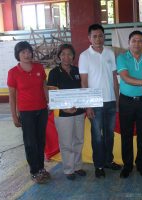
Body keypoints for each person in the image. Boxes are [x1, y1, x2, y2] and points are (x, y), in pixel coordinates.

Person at [79, 24, 121, 178]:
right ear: (89, 38)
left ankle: (108, 161)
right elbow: (83, 83)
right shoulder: (84, 56)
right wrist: (88, 105)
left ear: (104, 37)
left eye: (100, 36)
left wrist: (117, 100)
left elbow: (115, 79)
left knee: (109, 134)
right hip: (95, 103)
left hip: (110, 101)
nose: (98, 39)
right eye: (94, 36)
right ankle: (99, 165)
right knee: (97, 135)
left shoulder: (110, 52)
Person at [7, 41, 50, 184]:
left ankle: (41, 168)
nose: (27, 54)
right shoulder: (13, 72)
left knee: (41, 140)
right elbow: (12, 97)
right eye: (23, 52)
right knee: (30, 143)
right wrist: (14, 116)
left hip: (42, 110)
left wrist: (50, 103)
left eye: (28, 51)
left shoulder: (39, 67)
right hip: (26, 113)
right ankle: (34, 171)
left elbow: (44, 87)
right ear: (18, 55)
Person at [117, 30, 142, 178]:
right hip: (126, 101)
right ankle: (127, 166)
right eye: (134, 40)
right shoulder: (122, 58)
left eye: (140, 41)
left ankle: (141, 165)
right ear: (129, 43)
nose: (137, 43)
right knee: (126, 135)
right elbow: (126, 78)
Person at [47, 44, 86, 180]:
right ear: (59, 56)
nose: (66, 57)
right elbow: (52, 94)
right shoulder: (54, 72)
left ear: (73, 56)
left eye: (69, 54)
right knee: (66, 142)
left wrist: (84, 104)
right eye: (63, 54)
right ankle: (69, 169)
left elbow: (83, 90)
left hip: (79, 111)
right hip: (63, 114)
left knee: (79, 140)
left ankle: (78, 166)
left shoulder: (77, 70)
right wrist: (65, 107)